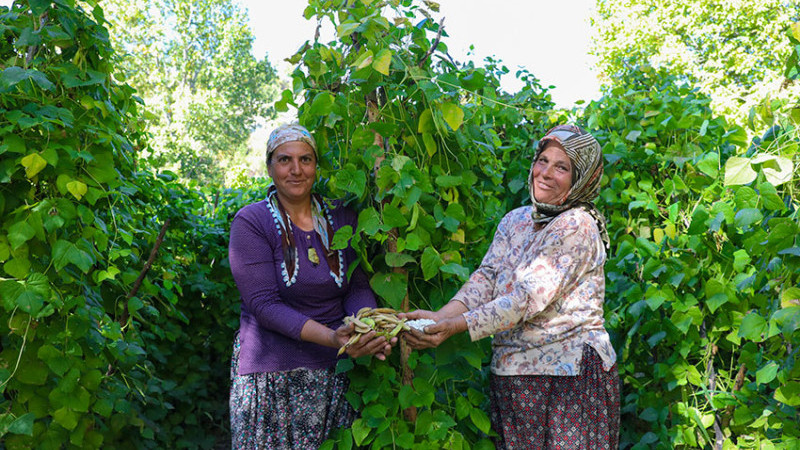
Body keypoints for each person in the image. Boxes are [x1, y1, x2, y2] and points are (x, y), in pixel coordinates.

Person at [402, 124, 620, 449]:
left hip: (569, 382)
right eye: (543, 160)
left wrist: (455, 326)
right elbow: (486, 278)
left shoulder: (577, 225)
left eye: (562, 167)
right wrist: (439, 317)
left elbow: (525, 300)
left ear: (582, 178)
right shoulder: (516, 220)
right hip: (515, 380)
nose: (545, 173)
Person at [228, 123, 394, 449]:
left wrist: (367, 325)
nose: (296, 170)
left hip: (333, 373)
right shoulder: (252, 222)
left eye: (306, 159)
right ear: (269, 166)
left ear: (316, 166)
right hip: (272, 375)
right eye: (284, 160)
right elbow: (264, 304)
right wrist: (334, 337)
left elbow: (356, 285)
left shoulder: (341, 217)